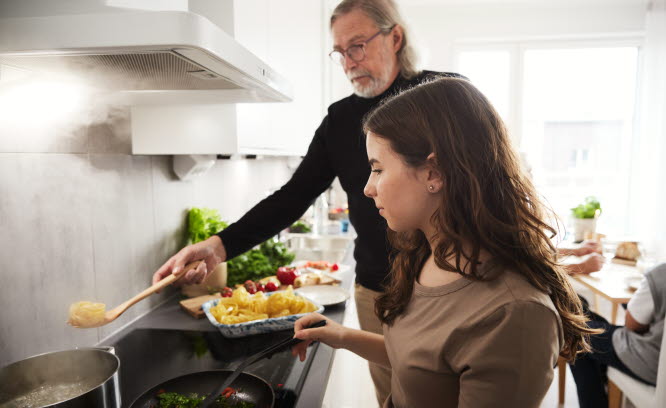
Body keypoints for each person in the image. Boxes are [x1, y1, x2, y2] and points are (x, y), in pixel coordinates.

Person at [152, 1, 463, 404]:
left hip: (448, 283)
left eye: (358, 46)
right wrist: (217, 246)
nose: (348, 62)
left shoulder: (443, 96)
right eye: (340, 52)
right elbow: (292, 197)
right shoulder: (339, 120)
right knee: (396, 397)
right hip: (378, 289)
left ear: (395, 37)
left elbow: (485, 182)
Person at [291, 77, 598, 408]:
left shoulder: (514, 314)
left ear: (433, 173)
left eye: (378, 169)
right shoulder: (427, 254)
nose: (368, 188)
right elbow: (424, 367)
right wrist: (342, 336)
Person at [569, 263, 666, 408]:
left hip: (654, 365)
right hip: (658, 357)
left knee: (575, 333)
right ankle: (606, 382)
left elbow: (632, 325)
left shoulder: (660, 274)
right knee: (593, 321)